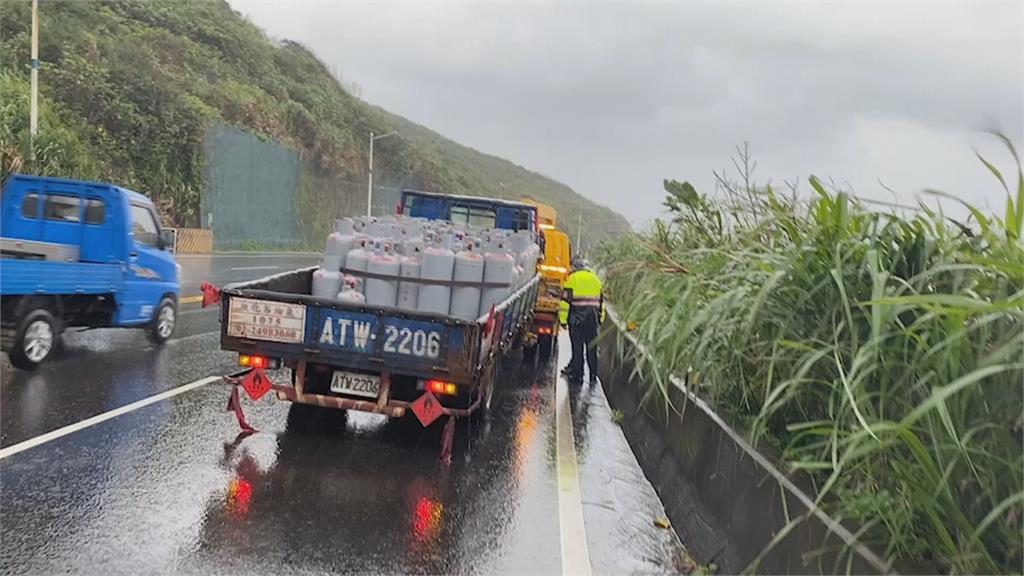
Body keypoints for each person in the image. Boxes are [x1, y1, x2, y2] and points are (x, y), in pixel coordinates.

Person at [559, 256, 604, 384]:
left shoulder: (572, 279)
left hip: (576, 318)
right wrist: (600, 319)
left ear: (575, 267)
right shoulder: (596, 279)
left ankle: (578, 374)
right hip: (593, 319)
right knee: (592, 347)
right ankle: (593, 375)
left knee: (577, 347)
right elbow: (602, 303)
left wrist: (563, 320)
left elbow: (565, 302)